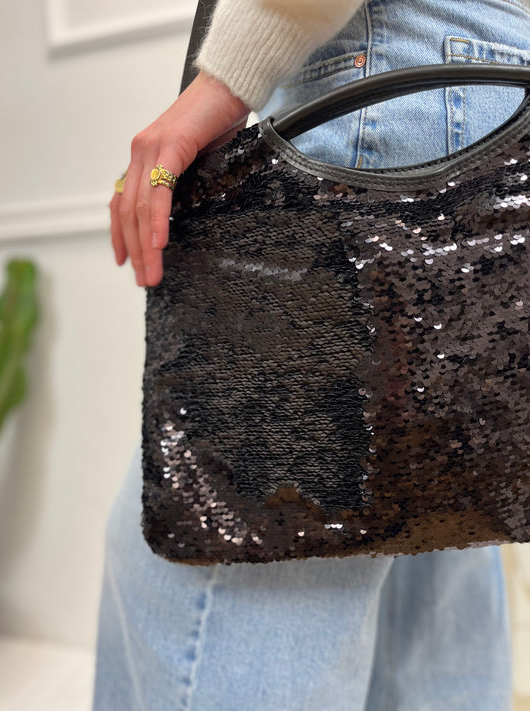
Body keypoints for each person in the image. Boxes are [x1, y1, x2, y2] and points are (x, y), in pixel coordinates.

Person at [94, 0, 530, 709]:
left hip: (376, 83)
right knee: (433, 529)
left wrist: (220, 85)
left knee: (211, 554)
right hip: (497, 91)